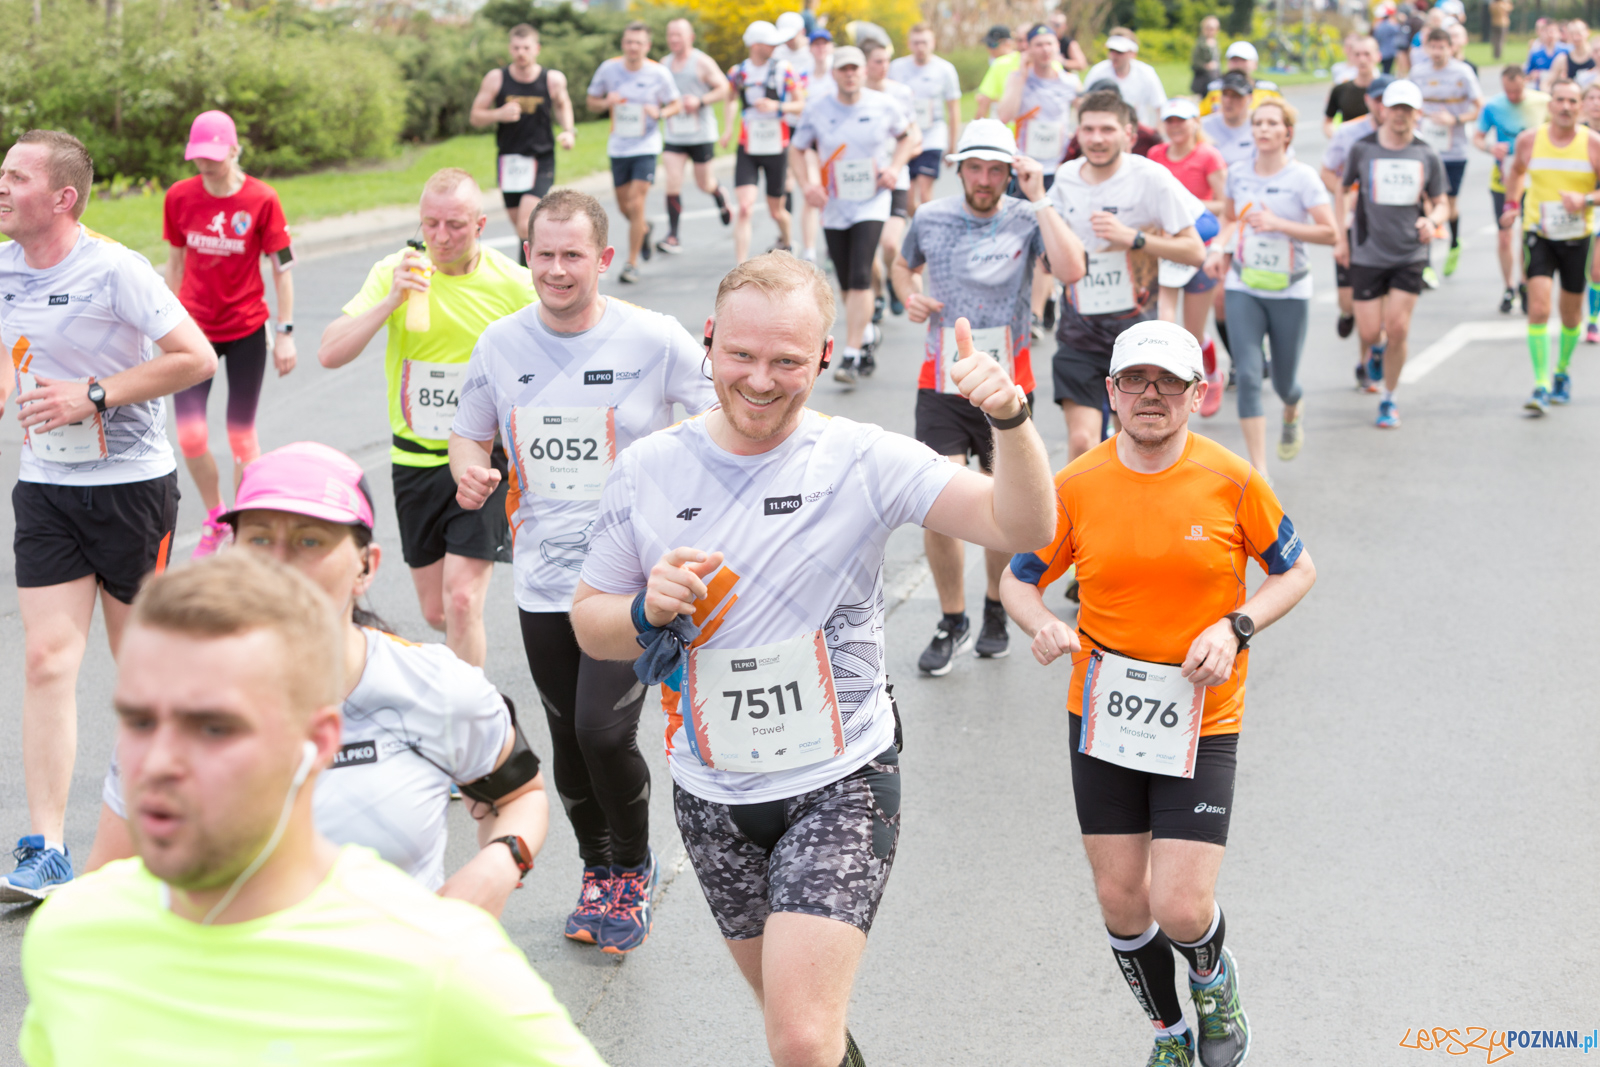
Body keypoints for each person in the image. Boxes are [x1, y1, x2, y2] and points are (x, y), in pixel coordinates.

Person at [570, 253, 1056, 1067]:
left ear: (824, 358)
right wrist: (643, 610)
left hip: (841, 781)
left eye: (788, 361)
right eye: (742, 356)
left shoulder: (862, 458)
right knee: (808, 1031)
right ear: (710, 344)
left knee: (798, 1038)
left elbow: (1023, 527)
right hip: (712, 793)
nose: (760, 380)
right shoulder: (647, 470)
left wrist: (1009, 419)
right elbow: (592, 625)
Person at [20, 550, 604, 1067]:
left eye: (215, 727)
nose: (161, 761)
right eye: (141, 720)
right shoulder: (71, 935)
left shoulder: (434, 961)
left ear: (319, 740)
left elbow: (519, 793)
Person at [1000, 318, 1316, 1067]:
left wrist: (1237, 626)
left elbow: (1297, 570)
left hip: (1203, 713)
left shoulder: (1233, 479)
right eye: (1135, 379)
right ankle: (1170, 1030)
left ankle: (1212, 975)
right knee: (1121, 899)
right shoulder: (1073, 484)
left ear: (1196, 395)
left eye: (1168, 381)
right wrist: (1041, 622)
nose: (1151, 394)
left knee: (1179, 905)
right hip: (1104, 715)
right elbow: (1019, 580)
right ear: (1110, 392)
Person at [85, 441, 551, 921]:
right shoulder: (173, 703)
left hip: (395, 982)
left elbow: (522, 796)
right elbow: (103, 889)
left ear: (366, 566)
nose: (279, 563)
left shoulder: (433, 686)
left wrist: (498, 865)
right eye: (260, 539)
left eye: (310, 541)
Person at [448, 188, 715, 955]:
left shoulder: (654, 339)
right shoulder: (501, 343)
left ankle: (630, 865)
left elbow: (718, 420)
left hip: (628, 581)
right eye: (543, 253)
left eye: (573, 255)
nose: (556, 270)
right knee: (567, 737)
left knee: (604, 729)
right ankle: (598, 869)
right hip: (542, 579)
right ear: (525, 253)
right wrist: (472, 474)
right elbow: (469, 437)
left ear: (602, 258)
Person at [0, 130, 217, 903]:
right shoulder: (3, 267)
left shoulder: (115, 269)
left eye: (15, 177)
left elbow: (195, 358)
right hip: (47, 487)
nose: (1, 186)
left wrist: (93, 392)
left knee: (143, 673)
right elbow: (9, 350)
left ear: (61, 197)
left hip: (130, 490)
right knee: (47, 659)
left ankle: (183, 821)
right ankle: (48, 845)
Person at [891, 121, 1085, 674]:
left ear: (1011, 172)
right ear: (958, 168)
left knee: (1003, 503)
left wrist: (1040, 196)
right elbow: (904, 266)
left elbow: (1072, 271)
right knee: (937, 506)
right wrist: (908, 294)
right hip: (943, 381)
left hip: (1007, 385)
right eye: (973, 167)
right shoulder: (931, 217)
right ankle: (952, 618)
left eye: (995, 169)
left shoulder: (1028, 218)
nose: (983, 179)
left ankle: (996, 607)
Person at [317, 170, 531, 669]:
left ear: (480, 224)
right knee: (437, 611)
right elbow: (329, 352)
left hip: (482, 460)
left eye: (455, 225)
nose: (440, 236)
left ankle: (468, 722)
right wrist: (391, 300)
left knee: (462, 601)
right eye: (429, 224)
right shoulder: (398, 271)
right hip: (414, 461)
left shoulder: (510, 282)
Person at [162, 110, 295, 558]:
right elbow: (175, 264)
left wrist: (286, 332)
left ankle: (243, 522)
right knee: (191, 434)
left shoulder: (262, 198)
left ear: (234, 150)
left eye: (214, 157)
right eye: (198, 157)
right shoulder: (180, 197)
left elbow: (282, 270)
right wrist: (163, 325)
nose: (205, 165)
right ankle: (216, 515)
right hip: (195, 330)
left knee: (241, 435)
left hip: (244, 329)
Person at [1047, 89, 1205, 461]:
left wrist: (1132, 238)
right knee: (1083, 442)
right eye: (1088, 129)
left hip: (1137, 334)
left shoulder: (1151, 178)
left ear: (1128, 135)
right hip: (1078, 330)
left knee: (1135, 446)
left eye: (1107, 129)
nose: (1097, 139)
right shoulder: (1066, 178)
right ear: (1078, 133)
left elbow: (1194, 250)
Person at [1204, 101, 1336, 476]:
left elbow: (1330, 232)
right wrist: (1218, 248)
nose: (1262, 129)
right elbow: (1231, 219)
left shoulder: (1303, 178)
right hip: (1243, 283)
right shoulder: (1239, 174)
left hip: (1289, 289)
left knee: (1285, 383)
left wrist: (1280, 224)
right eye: (1257, 123)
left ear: (1286, 133)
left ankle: (1293, 407)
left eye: (1271, 123)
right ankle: (1259, 470)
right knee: (1246, 373)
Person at [792, 45, 920, 385]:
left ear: (864, 72)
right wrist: (807, 185)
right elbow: (797, 147)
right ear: (834, 73)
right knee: (847, 281)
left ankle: (849, 354)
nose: (850, 74)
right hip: (835, 203)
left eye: (855, 68)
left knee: (862, 273)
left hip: (872, 200)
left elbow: (907, 138)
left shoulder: (883, 105)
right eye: (843, 69)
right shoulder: (818, 108)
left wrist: (895, 167)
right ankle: (866, 334)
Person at [1337, 79, 1450, 429]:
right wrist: (1343, 234)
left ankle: (1389, 398)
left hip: (1409, 253)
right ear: (1383, 110)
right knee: (1371, 332)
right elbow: (1343, 191)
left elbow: (1442, 202)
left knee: (1398, 328)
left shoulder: (1426, 153)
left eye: (1407, 110)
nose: (1400, 116)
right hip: (1368, 252)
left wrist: (1432, 221)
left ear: (1417, 114)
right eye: (1395, 108)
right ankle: (1376, 351)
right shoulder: (1363, 149)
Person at [1500, 78, 1600, 412]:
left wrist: (1585, 199)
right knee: (1539, 308)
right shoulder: (1529, 141)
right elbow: (1514, 172)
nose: (1566, 107)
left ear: (1582, 107)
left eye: (1573, 101)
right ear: (1550, 105)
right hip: (1538, 234)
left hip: (1576, 238)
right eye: (1560, 100)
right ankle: (1541, 384)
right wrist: (1512, 206)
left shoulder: (1592, 144)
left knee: (1571, 315)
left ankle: (1561, 370)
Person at [469, 23, 576, 266]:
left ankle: (528, 279)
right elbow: (475, 116)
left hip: (541, 158)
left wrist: (569, 131)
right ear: (510, 49)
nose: (521, 53)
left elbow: (562, 104)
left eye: (526, 47)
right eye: (516, 48)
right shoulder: (497, 78)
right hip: (510, 160)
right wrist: (498, 114)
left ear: (536, 49)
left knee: (526, 222)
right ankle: (534, 270)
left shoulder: (552, 79)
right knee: (522, 228)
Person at [999, 26, 1082, 334]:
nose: (1045, 50)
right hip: (1024, 168)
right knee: (1021, 239)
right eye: (1038, 45)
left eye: (1050, 44)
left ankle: (1034, 312)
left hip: (1058, 171)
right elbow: (1004, 113)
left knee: (1049, 240)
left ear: (1057, 48)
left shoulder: (1070, 82)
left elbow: (1084, 114)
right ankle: (1039, 299)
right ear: (1029, 49)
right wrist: (1020, 75)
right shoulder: (1017, 79)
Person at [586, 21, 682, 284]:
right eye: (629, 42)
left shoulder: (658, 73)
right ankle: (645, 229)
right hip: (618, 146)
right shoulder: (608, 69)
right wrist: (607, 102)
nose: (633, 47)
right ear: (623, 44)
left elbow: (676, 103)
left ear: (647, 46)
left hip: (646, 145)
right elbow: (591, 101)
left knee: (637, 202)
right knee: (624, 206)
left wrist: (660, 112)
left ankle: (631, 263)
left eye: (638, 43)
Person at [1149, 98, 1227, 410]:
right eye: (1170, 121)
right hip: (1166, 250)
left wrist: (1185, 208)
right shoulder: (1155, 155)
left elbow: (1225, 205)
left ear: (1196, 122)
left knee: (1192, 334)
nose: (1175, 127)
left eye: (1182, 120)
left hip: (1198, 251)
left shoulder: (1208, 156)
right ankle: (1174, 391)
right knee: (1165, 323)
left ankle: (1211, 372)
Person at [1322, 74, 1394, 391]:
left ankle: (1368, 365)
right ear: (1368, 101)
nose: (1383, 107)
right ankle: (1346, 313)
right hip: (1351, 226)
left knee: (1379, 307)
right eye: (1378, 100)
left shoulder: (1409, 137)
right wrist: (1347, 197)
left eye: (1388, 101)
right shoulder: (1349, 134)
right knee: (1350, 300)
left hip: (1388, 232)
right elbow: (1328, 172)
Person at [724, 20, 804, 264]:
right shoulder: (738, 72)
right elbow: (730, 99)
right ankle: (740, 264)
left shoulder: (784, 69)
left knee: (776, 209)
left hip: (775, 145)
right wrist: (727, 129)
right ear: (756, 45)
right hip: (748, 145)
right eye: (770, 43)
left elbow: (800, 104)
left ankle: (788, 243)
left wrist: (777, 106)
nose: (775, 48)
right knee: (745, 207)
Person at [1407, 26, 1481, 280]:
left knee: (1448, 204)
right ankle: (1425, 263)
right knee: (1426, 202)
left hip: (1454, 149)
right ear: (1425, 48)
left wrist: (1455, 119)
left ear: (1451, 48)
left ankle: (1454, 243)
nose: (1437, 52)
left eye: (1442, 47)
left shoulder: (1462, 72)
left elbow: (1479, 107)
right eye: (1433, 47)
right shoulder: (1418, 73)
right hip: (1425, 148)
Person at [1475, 64, 1548, 316]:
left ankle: (1525, 283)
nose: (1513, 96)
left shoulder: (1543, 102)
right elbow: (1477, 137)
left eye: (1517, 91)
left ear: (1525, 83)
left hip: (1534, 178)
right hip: (1502, 179)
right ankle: (1508, 286)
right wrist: (1489, 149)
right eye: (1508, 92)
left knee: (1529, 236)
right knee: (1505, 235)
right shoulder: (1493, 106)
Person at [658, 18, 733, 255]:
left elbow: (724, 88)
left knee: (704, 183)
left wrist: (699, 101)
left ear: (690, 37)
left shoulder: (702, 62)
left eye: (678, 35)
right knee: (672, 180)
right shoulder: (664, 63)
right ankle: (673, 236)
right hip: (674, 134)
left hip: (700, 133)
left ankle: (719, 193)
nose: (673, 39)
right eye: (670, 34)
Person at [861, 38, 916, 324]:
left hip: (895, 177)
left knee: (890, 243)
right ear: (864, 65)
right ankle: (879, 293)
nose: (884, 67)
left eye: (886, 61)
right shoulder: (853, 96)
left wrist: (900, 159)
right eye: (877, 61)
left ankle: (894, 285)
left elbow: (913, 132)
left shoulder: (900, 93)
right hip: (862, 183)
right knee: (867, 247)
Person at [891, 23, 963, 218]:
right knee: (907, 198)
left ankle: (928, 233)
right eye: (916, 43)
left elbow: (953, 108)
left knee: (925, 192)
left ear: (933, 43)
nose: (920, 47)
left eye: (924, 42)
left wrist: (952, 145)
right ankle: (919, 228)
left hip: (933, 134)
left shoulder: (945, 69)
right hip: (906, 136)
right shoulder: (897, 68)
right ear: (909, 44)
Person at [1083, 31, 1167, 129]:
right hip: (1105, 131)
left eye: (1119, 52)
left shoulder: (1146, 73)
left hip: (1137, 130)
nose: (1114, 56)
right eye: (1111, 50)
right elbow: (1084, 102)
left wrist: (1156, 134)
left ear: (1132, 53)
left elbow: (1160, 106)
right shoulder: (1098, 71)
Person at [1198, 42, 1282, 117]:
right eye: (1234, 60)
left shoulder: (1269, 89)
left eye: (1243, 60)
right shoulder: (1214, 88)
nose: (1238, 64)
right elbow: (1200, 116)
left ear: (1255, 64)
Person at [1201, 72, 1260, 168]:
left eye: (1235, 96)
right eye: (1225, 95)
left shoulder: (1259, 126)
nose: (1228, 101)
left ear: (1249, 98)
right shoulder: (1204, 126)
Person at [1324, 36, 1378, 137]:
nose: (1362, 59)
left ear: (1378, 55)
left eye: (1367, 54)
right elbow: (1328, 122)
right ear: (1351, 57)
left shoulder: (1387, 89)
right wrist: (1337, 138)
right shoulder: (1340, 89)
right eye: (1357, 54)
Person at [974, 25, 1021, 120]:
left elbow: (984, 103)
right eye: (988, 45)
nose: (990, 49)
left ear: (1008, 43)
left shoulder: (998, 64)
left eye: (993, 45)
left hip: (1005, 126)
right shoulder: (1024, 59)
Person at [1527, 17, 1572, 88]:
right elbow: (1528, 73)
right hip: (1541, 88)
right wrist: (1533, 75)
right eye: (1546, 31)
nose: (1550, 34)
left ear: (1558, 33)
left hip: (1561, 86)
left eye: (1553, 31)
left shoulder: (1568, 50)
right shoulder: (1535, 53)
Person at [1191, 16, 1222, 96]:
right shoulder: (1200, 44)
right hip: (1203, 81)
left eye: (1213, 28)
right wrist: (1206, 66)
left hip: (1215, 78)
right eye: (1208, 28)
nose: (1211, 31)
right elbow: (1194, 63)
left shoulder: (1216, 43)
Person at [1375, 7, 1407, 74]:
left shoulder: (1379, 26)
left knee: (1385, 69)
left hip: (1382, 51)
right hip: (1389, 51)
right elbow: (1398, 30)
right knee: (1388, 69)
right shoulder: (1389, 26)